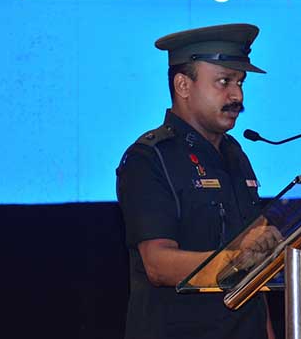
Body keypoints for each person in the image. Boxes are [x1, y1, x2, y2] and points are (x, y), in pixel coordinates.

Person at [116, 23, 277, 339]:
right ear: (183, 85)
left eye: (240, 82)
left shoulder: (234, 153)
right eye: (224, 81)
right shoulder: (150, 158)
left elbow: (255, 270)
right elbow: (158, 265)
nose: (237, 95)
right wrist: (234, 263)